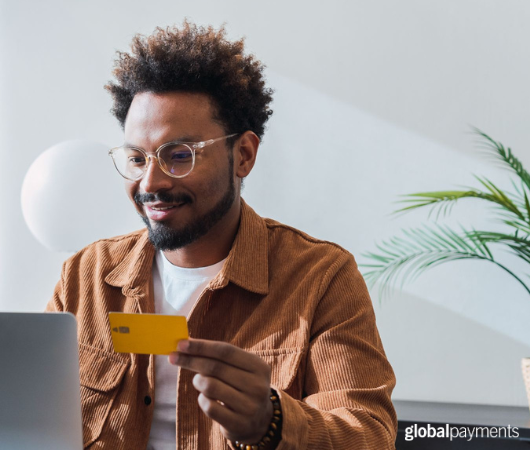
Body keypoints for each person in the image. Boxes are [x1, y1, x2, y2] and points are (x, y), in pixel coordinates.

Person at [46, 19, 397, 450]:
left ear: (244, 155)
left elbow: (369, 435)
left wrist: (272, 421)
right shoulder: (86, 276)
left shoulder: (320, 278)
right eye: (137, 158)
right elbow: (25, 414)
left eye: (179, 156)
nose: (150, 182)